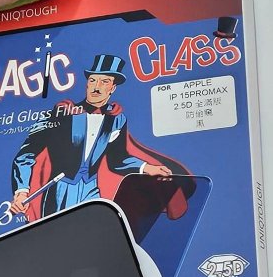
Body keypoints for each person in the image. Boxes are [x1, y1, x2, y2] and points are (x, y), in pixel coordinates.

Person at [10, 54, 185, 219]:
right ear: (87, 84)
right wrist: (21, 192)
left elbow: (117, 160)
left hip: (91, 190)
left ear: (113, 88)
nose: (96, 87)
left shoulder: (116, 119)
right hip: (60, 192)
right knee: (60, 236)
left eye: (104, 81)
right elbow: (27, 153)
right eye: (93, 80)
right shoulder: (62, 113)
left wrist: (147, 168)